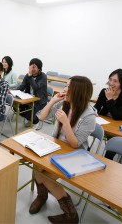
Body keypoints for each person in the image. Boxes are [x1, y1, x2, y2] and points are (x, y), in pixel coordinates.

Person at [29, 76, 96, 224]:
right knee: (37, 164)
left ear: (78, 92)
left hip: (74, 154)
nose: (65, 90)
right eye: (66, 85)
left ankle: (71, 215)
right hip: (57, 146)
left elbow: (75, 144)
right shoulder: (65, 104)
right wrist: (53, 100)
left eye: (69, 87)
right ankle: (42, 196)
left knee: (45, 178)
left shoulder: (89, 116)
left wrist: (66, 122)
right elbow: (41, 116)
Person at [94, 69, 122, 160]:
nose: (111, 83)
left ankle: (107, 161)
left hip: (118, 127)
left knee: (113, 143)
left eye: (115, 81)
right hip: (102, 122)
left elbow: (117, 116)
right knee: (84, 128)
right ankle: (85, 150)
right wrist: (94, 112)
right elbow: (97, 106)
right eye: (110, 79)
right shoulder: (104, 91)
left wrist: (110, 99)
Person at [17, 58, 47, 125]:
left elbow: (35, 87)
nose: (31, 69)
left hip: (40, 101)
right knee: (17, 107)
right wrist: (13, 91)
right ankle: (31, 119)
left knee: (29, 112)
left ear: (39, 68)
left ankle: (36, 121)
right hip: (29, 99)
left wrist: (30, 76)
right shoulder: (28, 75)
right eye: (30, 67)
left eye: (34, 67)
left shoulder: (43, 76)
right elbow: (22, 86)